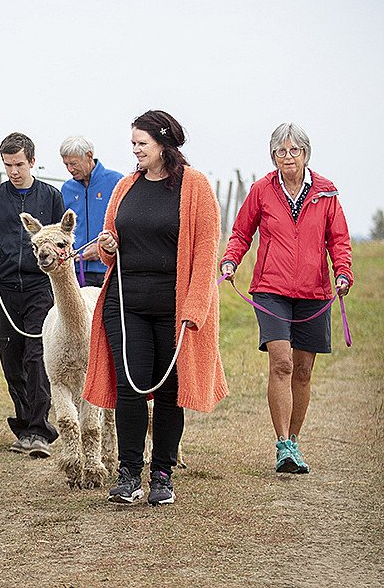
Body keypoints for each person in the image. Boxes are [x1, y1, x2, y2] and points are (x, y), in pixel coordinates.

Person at [82, 110, 228, 506]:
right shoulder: (127, 186)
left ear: (164, 144)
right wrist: (109, 244)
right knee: (131, 386)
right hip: (125, 302)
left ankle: (161, 473)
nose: (135, 150)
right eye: (132, 144)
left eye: (141, 143)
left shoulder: (195, 187)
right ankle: (128, 473)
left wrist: (194, 309)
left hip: (173, 307)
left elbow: (204, 253)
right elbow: (111, 237)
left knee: (168, 390)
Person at [220, 122, 352, 474]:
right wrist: (231, 259)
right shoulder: (262, 189)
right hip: (271, 289)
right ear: (273, 155)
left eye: (294, 150)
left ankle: (294, 441)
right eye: (281, 151)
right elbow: (241, 231)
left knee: (304, 372)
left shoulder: (326, 193)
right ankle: (282, 445)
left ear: (306, 153)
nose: (288, 157)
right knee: (282, 363)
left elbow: (338, 240)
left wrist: (342, 272)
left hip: (315, 291)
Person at [0, 132, 65, 458]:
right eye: (7, 165)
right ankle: (24, 424)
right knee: (11, 357)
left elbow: (60, 238)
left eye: (18, 164)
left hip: (41, 287)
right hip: (5, 287)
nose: (13, 171)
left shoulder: (51, 197)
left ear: (31, 160)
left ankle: (39, 429)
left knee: (36, 355)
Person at [60, 136, 123, 288]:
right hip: (76, 271)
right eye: (66, 164)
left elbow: (127, 227)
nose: (70, 169)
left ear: (89, 156)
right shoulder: (66, 189)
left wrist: (101, 249)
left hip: (108, 269)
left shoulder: (117, 182)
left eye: (73, 163)